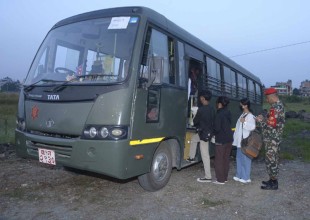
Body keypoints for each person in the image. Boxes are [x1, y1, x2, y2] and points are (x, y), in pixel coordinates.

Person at [256, 87, 285, 190]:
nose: (267, 100)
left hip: (272, 139)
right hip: (272, 139)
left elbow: (271, 125)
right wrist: (264, 118)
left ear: (272, 96)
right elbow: (271, 121)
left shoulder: (276, 108)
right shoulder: (276, 106)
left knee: (271, 160)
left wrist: (261, 120)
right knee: (271, 159)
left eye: (267, 98)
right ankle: (272, 179)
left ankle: (274, 183)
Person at [186, 90, 215, 183]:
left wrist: (194, 113)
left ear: (203, 98)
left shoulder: (201, 109)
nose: (199, 98)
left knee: (205, 154)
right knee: (194, 139)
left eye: (200, 97)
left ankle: (208, 176)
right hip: (208, 132)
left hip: (204, 134)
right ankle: (191, 157)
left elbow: (194, 122)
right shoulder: (211, 108)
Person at [232, 98, 256, 183]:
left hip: (246, 141)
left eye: (241, 104)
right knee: (239, 158)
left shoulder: (250, 116)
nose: (240, 105)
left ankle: (246, 177)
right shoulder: (243, 114)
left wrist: (245, 122)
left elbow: (252, 127)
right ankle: (239, 175)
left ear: (245, 105)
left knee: (245, 159)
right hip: (240, 141)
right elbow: (238, 128)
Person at [213, 96, 233, 185]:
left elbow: (217, 128)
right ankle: (225, 178)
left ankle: (220, 180)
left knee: (219, 160)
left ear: (220, 104)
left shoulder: (219, 114)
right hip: (229, 139)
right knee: (225, 159)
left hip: (221, 139)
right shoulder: (228, 112)